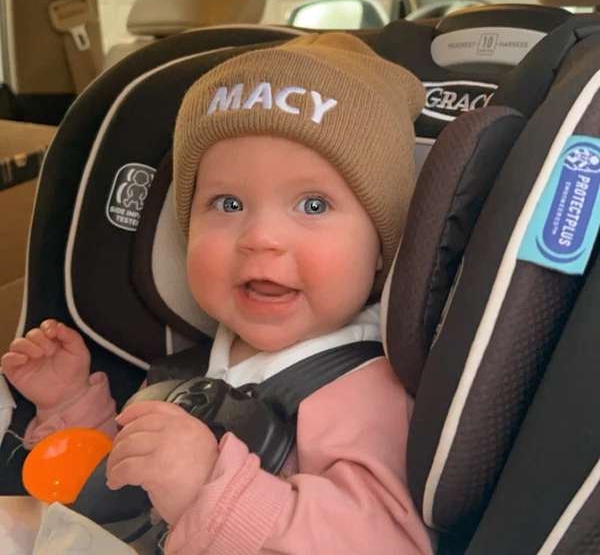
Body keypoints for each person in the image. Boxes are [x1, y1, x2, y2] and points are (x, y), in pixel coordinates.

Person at [1, 32, 432, 555]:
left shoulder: (362, 392)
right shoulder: (188, 369)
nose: (261, 237)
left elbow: (387, 543)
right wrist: (69, 404)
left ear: (381, 247)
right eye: (228, 204)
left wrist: (211, 485)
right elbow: (121, 496)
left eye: (313, 206)